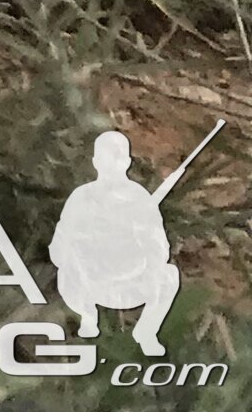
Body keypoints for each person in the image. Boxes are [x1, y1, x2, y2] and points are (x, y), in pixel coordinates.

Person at [50, 131, 180, 356]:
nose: (113, 164)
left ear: (128, 162)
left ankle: (147, 332)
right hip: (90, 283)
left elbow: (160, 248)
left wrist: (139, 237)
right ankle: (88, 317)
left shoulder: (139, 198)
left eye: (119, 157)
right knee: (70, 262)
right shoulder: (81, 197)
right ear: (95, 162)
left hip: (130, 283)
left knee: (169, 275)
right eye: (107, 158)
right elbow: (61, 243)